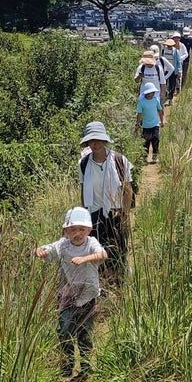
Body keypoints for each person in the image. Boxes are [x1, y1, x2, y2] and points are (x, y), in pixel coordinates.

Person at [34, 206, 106, 382]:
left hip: (88, 297)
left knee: (85, 334)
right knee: (64, 331)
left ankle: (87, 370)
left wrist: (85, 259)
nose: (77, 233)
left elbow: (103, 254)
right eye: (73, 229)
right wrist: (39, 251)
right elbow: (46, 250)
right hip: (67, 297)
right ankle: (66, 368)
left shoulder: (91, 243)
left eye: (82, 229)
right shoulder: (63, 245)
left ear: (89, 229)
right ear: (66, 231)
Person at [78, 121, 134, 283]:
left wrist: (125, 213)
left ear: (104, 140)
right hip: (94, 213)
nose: (96, 144)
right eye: (92, 140)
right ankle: (102, 283)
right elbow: (83, 190)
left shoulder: (118, 160)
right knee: (98, 249)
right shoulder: (84, 164)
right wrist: (84, 215)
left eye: (99, 140)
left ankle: (120, 281)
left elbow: (127, 189)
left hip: (115, 212)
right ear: (87, 142)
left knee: (118, 248)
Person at [136, 81, 163, 163]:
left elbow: (159, 110)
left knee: (155, 139)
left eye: (152, 92)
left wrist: (161, 121)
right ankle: (145, 157)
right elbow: (139, 113)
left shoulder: (156, 100)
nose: (150, 94)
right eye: (149, 93)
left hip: (155, 124)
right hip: (146, 125)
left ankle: (154, 156)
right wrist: (137, 124)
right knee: (146, 142)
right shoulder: (141, 102)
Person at [163, 38, 184, 102]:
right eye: (168, 45)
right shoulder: (163, 51)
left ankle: (170, 98)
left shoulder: (176, 51)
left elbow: (179, 62)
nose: (169, 47)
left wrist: (179, 71)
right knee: (164, 84)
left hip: (173, 71)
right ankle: (165, 96)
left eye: (170, 45)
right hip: (165, 70)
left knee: (172, 84)